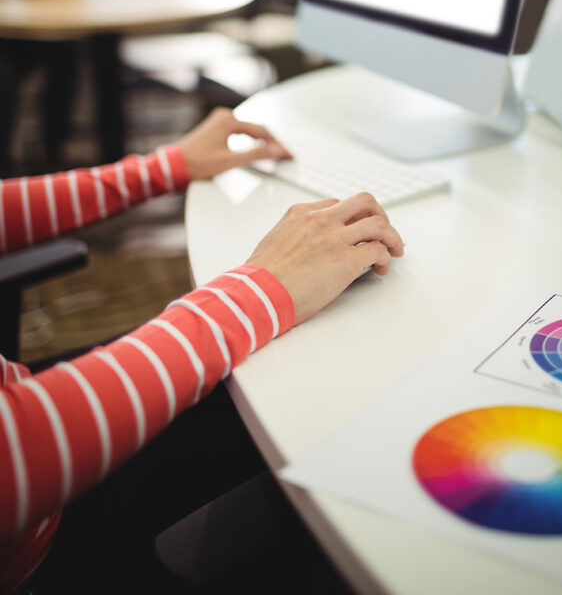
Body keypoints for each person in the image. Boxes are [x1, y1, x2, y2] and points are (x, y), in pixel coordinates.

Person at [0, 108, 404, 594]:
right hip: (50, 536)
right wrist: (264, 288)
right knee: (339, 400)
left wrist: (160, 168)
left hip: (21, 401)